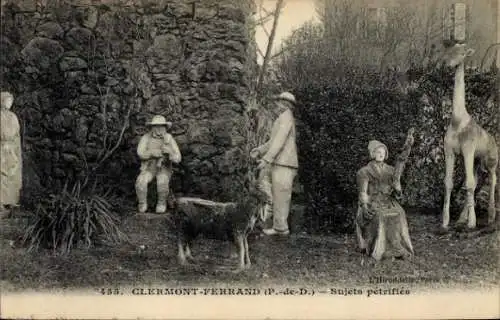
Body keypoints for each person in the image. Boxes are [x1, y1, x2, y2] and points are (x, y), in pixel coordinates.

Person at [355, 128, 415, 260]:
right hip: (372, 203)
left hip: (388, 202)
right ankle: (383, 250)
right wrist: (364, 207)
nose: (381, 154)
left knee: (399, 213)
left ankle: (397, 248)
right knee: (381, 216)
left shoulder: (390, 170)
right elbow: (363, 193)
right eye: (378, 151)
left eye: (383, 152)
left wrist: (398, 189)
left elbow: (400, 166)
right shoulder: (364, 172)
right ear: (372, 153)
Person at [251, 92, 298, 236]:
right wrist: (259, 150)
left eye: (279, 102)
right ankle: (278, 226)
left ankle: (281, 229)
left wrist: (266, 159)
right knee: (278, 196)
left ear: (286, 104)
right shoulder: (282, 118)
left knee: (281, 196)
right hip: (281, 162)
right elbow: (272, 142)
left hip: (285, 163)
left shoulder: (286, 117)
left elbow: (279, 141)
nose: (276, 105)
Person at [135, 115, 181, 214]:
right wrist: (151, 153)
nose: (159, 129)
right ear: (152, 127)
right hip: (149, 167)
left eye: (161, 126)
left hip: (163, 168)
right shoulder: (146, 137)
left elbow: (178, 158)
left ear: (165, 127)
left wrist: (170, 153)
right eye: (156, 126)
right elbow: (140, 153)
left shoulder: (169, 138)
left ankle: (161, 203)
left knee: (162, 181)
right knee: (141, 181)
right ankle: (142, 203)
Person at [1, 91, 22, 216]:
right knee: (2, 174)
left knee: (12, 174)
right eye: (6, 100)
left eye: (10, 101)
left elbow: (16, 135)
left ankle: (11, 200)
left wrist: (16, 149)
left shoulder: (13, 117)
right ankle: (1, 201)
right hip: (2, 148)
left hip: (12, 149)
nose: (9, 103)